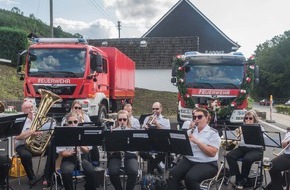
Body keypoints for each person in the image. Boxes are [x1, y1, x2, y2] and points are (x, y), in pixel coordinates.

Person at [167, 108, 221, 190]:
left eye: (199, 117)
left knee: (191, 178)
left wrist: (197, 142)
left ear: (207, 118)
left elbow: (212, 153)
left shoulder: (213, 133)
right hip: (189, 160)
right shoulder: (190, 131)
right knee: (173, 174)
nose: (196, 119)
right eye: (194, 117)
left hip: (207, 163)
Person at [56, 112, 97, 190]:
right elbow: (62, 153)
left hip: (82, 157)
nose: (73, 124)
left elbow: (87, 151)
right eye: (70, 122)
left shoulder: (83, 132)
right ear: (67, 123)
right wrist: (71, 153)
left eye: (75, 122)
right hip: (68, 159)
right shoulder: (62, 134)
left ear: (78, 122)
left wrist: (80, 145)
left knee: (91, 171)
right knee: (66, 173)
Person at [226, 110, 264, 189]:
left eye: (250, 118)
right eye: (246, 118)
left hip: (256, 150)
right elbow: (236, 140)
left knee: (247, 159)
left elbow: (263, 142)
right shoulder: (241, 127)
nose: (248, 120)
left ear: (254, 119)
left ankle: (244, 178)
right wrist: (237, 135)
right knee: (229, 156)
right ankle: (239, 177)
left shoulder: (259, 128)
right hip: (242, 148)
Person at [107, 110, 139, 190]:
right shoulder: (113, 131)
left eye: (124, 119)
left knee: (133, 171)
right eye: (120, 119)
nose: (122, 121)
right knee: (112, 172)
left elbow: (136, 148)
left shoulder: (132, 131)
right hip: (116, 156)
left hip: (130, 155)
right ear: (117, 120)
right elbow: (109, 149)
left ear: (127, 120)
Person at [141, 102, 170, 174]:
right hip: (149, 143)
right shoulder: (147, 118)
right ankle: (158, 167)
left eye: (157, 109)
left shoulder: (165, 120)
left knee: (163, 154)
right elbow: (141, 132)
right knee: (141, 152)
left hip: (161, 144)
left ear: (161, 109)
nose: (155, 111)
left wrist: (157, 124)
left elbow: (167, 133)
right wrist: (145, 128)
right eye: (153, 109)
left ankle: (150, 172)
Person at [14, 101, 40, 186]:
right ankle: (31, 177)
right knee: (26, 156)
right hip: (22, 145)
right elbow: (17, 137)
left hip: (37, 143)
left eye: (31, 107)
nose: (30, 109)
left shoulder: (38, 118)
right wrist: (31, 132)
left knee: (52, 148)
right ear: (22, 110)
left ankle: (48, 175)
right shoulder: (19, 120)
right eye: (27, 108)